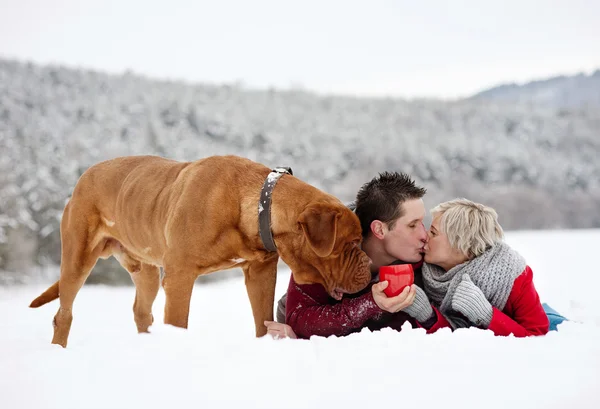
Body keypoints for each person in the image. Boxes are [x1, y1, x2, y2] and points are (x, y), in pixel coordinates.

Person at [265, 171, 431, 339]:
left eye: (422, 222)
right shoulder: (324, 244)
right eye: (412, 225)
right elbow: (298, 319)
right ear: (379, 229)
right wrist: (370, 303)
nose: (424, 235)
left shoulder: (428, 257)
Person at [401, 198, 551, 337]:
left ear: (462, 246)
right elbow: (455, 335)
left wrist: (487, 316)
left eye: (433, 232)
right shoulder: (422, 266)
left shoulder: (514, 275)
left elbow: (537, 337)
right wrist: (429, 317)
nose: (425, 236)